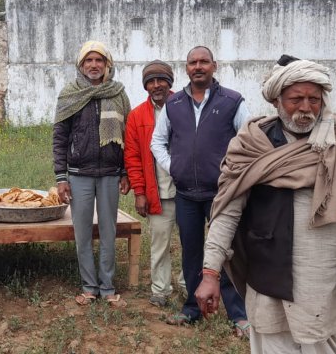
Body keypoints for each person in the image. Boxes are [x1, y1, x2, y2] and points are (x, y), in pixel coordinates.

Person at [195, 55, 336, 352]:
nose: (306, 108)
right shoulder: (252, 145)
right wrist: (210, 273)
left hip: (332, 281)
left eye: (314, 99)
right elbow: (226, 214)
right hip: (271, 280)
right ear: (277, 101)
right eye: (296, 99)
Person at [149, 46, 250, 333]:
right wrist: (175, 167)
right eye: (193, 62)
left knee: (227, 251)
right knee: (191, 252)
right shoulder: (175, 104)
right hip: (186, 195)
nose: (198, 66)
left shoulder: (232, 101)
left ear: (214, 66)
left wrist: (232, 175)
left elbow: (249, 142)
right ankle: (192, 308)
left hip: (222, 195)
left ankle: (238, 315)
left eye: (203, 61)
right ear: (186, 68)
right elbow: (157, 142)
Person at [53, 41, 131, 308]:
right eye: (89, 61)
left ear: (107, 65)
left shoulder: (118, 93)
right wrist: (61, 178)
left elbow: (127, 135)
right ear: (81, 65)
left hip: (110, 174)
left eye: (99, 60)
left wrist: (125, 172)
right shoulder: (69, 94)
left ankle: (108, 287)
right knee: (82, 233)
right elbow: (59, 138)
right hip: (78, 174)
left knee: (108, 232)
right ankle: (89, 287)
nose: (94, 65)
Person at [124, 60, 182, 307]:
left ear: (170, 82)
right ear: (145, 85)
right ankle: (160, 289)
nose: (156, 85)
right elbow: (132, 156)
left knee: (193, 243)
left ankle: (190, 285)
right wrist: (139, 192)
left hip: (188, 192)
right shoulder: (137, 116)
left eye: (161, 80)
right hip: (156, 191)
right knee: (160, 244)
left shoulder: (186, 105)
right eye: (151, 81)